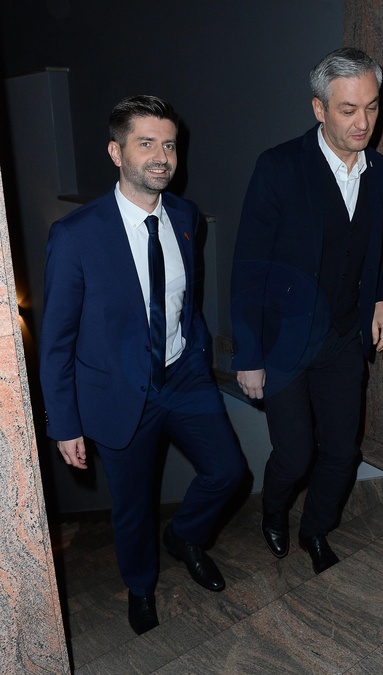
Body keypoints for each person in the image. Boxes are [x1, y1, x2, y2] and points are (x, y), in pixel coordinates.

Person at [40, 95, 245, 634]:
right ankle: (140, 587)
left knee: (229, 472)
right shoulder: (75, 236)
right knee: (132, 505)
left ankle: (185, 536)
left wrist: (196, 354)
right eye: (146, 143)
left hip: (183, 375)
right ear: (116, 152)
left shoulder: (185, 216)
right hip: (118, 392)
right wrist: (64, 423)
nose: (162, 157)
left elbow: (185, 302)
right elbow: (56, 341)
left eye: (169, 145)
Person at [231, 48, 383, 575]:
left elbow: (370, 252)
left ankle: (316, 529)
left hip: (344, 336)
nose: (363, 122)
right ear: (319, 108)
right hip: (284, 342)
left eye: (372, 107)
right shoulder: (279, 167)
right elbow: (248, 268)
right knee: (295, 454)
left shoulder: (379, 171)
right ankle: (274, 510)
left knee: (343, 452)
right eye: (348, 109)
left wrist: (381, 297)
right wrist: (248, 355)